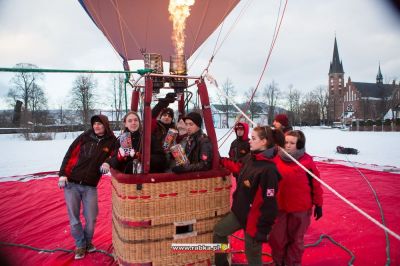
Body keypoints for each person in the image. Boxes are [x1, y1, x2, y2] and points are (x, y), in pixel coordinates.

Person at [214, 126, 284, 266]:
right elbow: (238, 167)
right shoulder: (251, 157)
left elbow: (269, 204)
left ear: (264, 141)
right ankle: (222, 263)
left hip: (255, 221)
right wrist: (219, 160)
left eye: (253, 138)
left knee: (252, 255)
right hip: (240, 213)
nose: (249, 141)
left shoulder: (269, 170)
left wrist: (262, 229)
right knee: (219, 232)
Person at [58, 114, 116, 260]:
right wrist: (63, 174)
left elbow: (116, 155)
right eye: (94, 124)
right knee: (74, 218)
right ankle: (80, 245)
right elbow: (70, 154)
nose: (96, 126)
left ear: (105, 125)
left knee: (91, 217)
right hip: (71, 183)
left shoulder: (111, 141)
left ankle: (88, 242)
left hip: (90, 186)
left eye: (99, 124)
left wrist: (108, 161)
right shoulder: (84, 137)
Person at [269, 130, 323, 266]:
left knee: (295, 240)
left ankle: (292, 264)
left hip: (300, 209)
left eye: (292, 143)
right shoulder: (275, 159)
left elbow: (315, 183)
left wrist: (318, 204)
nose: (287, 145)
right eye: (286, 142)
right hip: (278, 207)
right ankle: (278, 263)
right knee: (277, 239)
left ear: (299, 145)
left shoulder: (307, 161)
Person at [151, 93, 177, 172]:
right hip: (158, 158)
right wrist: (162, 104)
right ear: (160, 116)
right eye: (164, 115)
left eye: (169, 116)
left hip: (172, 158)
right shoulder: (155, 126)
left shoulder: (175, 130)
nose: (167, 117)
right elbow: (151, 116)